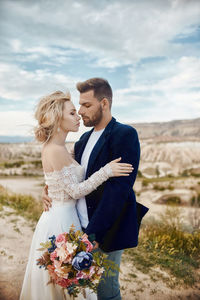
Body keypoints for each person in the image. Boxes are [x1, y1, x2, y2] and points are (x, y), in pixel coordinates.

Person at [20, 90, 133, 300]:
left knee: (73, 281)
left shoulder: (64, 147)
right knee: (64, 282)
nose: (78, 116)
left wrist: (48, 189)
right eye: (72, 113)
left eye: (79, 110)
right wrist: (106, 171)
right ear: (57, 117)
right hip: (61, 221)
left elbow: (60, 179)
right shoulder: (54, 149)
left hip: (68, 216)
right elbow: (74, 190)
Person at [43, 78, 149, 300]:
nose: (80, 111)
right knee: (83, 291)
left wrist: (94, 234)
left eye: (86, 105)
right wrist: (48, 190)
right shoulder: (82, 140)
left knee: (106, 291)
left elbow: (118, 191)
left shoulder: (124, 134)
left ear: (104, 104)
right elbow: (66, 177)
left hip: (105, 230)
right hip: (76, 226)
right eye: (79, 105)